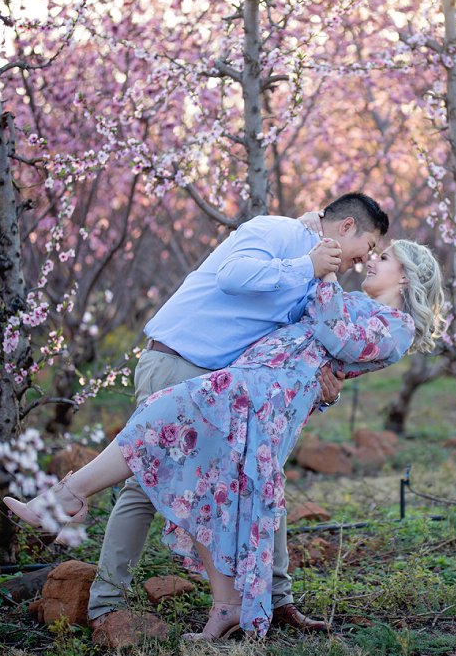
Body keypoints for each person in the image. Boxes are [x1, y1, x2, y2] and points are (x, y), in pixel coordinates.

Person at [5, 240, 446, 638]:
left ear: (404, 275)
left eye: (384, 257)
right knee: (205, 484)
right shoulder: (354, 302)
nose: (371, 259)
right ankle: (226, 608)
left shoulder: (398, 327)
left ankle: (68, 497)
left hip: (264, 395)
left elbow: (338, 339)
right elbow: (318, 343)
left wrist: (326, 272)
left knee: (159, 417)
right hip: (254, 383)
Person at [84, 192, 389, 633]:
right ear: (346, 229)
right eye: (367, 248)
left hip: (223, 387)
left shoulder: (319, 280)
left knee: (263, 476)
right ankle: (105, 605)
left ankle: (277, 603)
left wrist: (329, 389)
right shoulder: (279, 231)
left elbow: (296, 351)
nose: (362, 262)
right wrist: (307, 265)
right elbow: (232, 275)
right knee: (144, 483)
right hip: (179, 363)